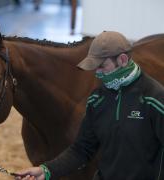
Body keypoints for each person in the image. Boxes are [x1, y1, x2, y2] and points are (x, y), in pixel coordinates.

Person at [14, 31, 164, 180]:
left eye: (102, 66)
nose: (97, 73)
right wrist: (46, 170)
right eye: (95, 67)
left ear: (123, 60)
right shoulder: (97, 99)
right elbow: (81, 150)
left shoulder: (154, 99)